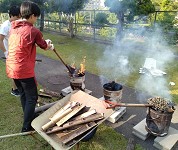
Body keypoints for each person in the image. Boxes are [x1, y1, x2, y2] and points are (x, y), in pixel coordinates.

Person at [6, 1, 54, 132]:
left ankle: (29, 116)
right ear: (32, 15)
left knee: (23, 95)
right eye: (36, 17)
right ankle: (27, 127)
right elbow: (44, 46)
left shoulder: (13, 28)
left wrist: (44, 42)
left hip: (11, 68)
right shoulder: (33, 30)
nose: (36, 19)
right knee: (32, 97)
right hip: (23, 70)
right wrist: (49, 44)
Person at [0, 5, 21, 96]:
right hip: (9, 52)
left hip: (16, 51)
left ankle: (17, 87)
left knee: (18, 70)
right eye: (17, 17)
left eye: (19, 17)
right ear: (11, 15)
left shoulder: (15, 24)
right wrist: (5, 52)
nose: (18, 19)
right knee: (14, 71)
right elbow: (0, 40)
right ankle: (14, 89)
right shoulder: (5, 26)